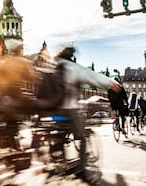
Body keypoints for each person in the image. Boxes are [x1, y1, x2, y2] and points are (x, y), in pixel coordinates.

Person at [51, 45, 121, 183]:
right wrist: (111, 83)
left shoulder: (53, 67)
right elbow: (91, 76)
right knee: (82, 137)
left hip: (53, 110)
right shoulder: (71, 67)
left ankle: (55, 160)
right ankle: (82, 169)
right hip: (69, 108)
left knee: (58, 135)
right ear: (70, 57)